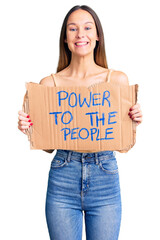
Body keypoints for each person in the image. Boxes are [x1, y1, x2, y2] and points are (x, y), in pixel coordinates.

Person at [18, 5, 143, 240]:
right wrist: (30, 128)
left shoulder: (116, 80)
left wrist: (132, 122)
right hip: (63, 175)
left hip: (104, 175)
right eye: (72, 29)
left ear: (97, 36)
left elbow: (123, 145)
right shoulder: (49, 85)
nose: (80, 34)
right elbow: (48, 145)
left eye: (87, 27)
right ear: (65, 38)